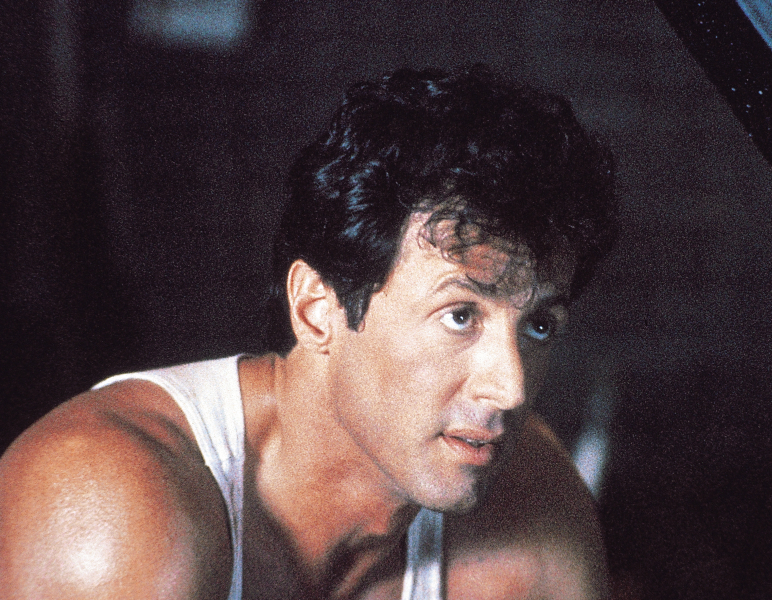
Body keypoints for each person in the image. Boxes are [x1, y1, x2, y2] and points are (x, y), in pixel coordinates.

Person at [0, 65, 616, 599]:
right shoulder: (107, 510)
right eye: (461, 315)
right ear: (317, 309)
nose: (510, 389)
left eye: (539, 324)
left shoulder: (535, 512)